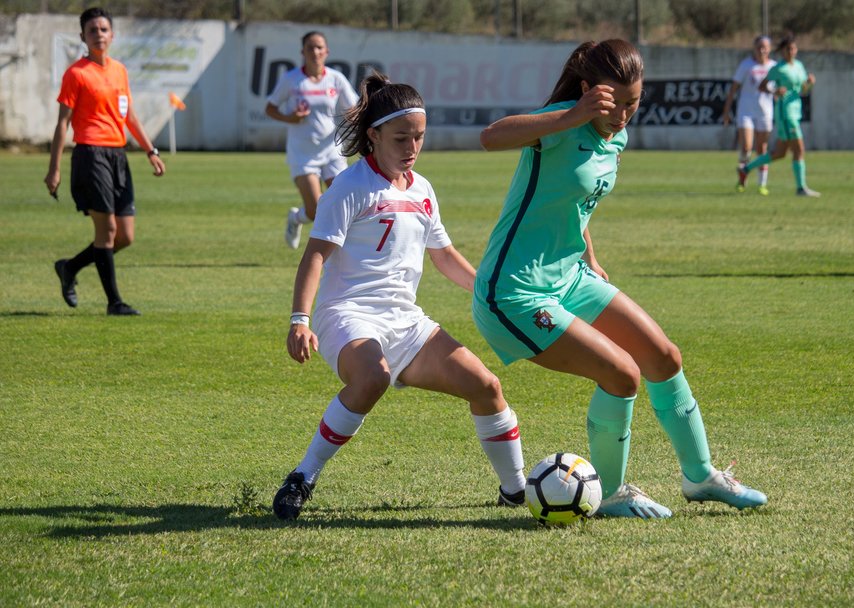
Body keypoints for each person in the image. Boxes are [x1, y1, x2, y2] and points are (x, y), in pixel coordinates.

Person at [472, 39, 767, 519]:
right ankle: (608, 493)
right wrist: (572, 113)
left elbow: (576, 199)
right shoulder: (561, 121)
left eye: (633, 103)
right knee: (622, 374)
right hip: (514, 291)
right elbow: (491, 137)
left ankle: (701, 476)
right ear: (588, 91)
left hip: (570, 276)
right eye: (615, 103)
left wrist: (590, 254)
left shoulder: (617, 136)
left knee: (663, 356)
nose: (624, 114)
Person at [273, 73, 525, 520]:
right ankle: (303, 476)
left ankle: (516, 491)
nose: (412, 147)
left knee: (487, 387)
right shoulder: (349, 188)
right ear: (373, 136)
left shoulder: (423, 190)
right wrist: (299, 318)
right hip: (346, 315)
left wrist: (486, 291)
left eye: (420, 137)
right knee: (372, 378)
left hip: (406, 322)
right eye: (401, 137)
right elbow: (314, 256)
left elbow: (444, 256)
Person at [44, 6, 165, 316]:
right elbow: (62, 124)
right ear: (83, 36)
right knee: (107, 230)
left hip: (117, 156)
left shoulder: (119, 70)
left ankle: (69, 267)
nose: (99, 34)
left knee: (125, 236)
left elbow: (129, 116)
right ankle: (115, 303)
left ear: (113, 34)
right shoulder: (76, 74)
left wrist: (151, 150)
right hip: (90, 154)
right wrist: (54, 168)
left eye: (103, 29)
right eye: (92, 30)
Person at [266, 31, 359, 250]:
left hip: (332, 151)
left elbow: (353, 108)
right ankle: (297, 218)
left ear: (326, 52)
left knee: (344, 201)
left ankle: (344, 252)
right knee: (316, 209)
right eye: (310, 47)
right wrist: (291, 118)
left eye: (319, 48)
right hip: (303, 153)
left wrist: (359, 118)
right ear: (302, 52)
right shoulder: (292, 79)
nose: (315, 52)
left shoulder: (335, 78)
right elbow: (270, 108)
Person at [737, 33, 819, 197]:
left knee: (779, 153)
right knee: (799, 149)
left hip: (796, 110)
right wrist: (775, 90)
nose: (792, 51)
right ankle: (801, 188)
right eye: (788, 49)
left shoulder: (799, 66)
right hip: (785, 112)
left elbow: (802, 90)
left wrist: (809, 84)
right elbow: (762, 86)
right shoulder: (778, 69)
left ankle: (746, 169)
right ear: (782, 51)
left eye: (794, 48)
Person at [722, 35, 777, 195]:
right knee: (746, 147)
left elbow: (778, 90)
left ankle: (762, 184)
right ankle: (742, 180)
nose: (762, 50)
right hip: (745, 111)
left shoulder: (774, 67)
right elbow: (733, 89)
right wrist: (726, 111)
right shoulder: (746, 65)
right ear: (754, 48)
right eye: (759, 46)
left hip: (765, 112)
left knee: (762, 149)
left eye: (765, 47)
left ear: (770, 49)